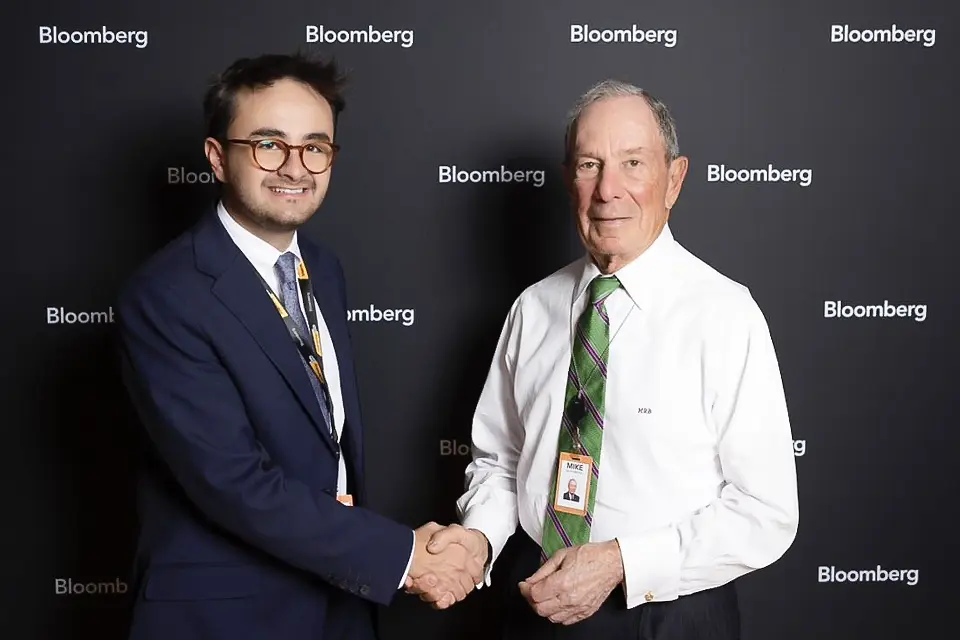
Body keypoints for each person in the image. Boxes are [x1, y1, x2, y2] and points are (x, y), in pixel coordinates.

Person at [411, 79, 800, 639]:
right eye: (590, 165)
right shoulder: (535, 307)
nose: (608, 190)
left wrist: (621, 561)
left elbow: (766, 512)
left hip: (669, 614)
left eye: (633, 163)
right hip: (534, 599)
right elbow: (501, 460)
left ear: (675, 179)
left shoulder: (724, 313)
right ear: (570, 179)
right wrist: (480, 538)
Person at [116, 52, 480, 640]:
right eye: (268, 143)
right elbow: (233, 482)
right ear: (216, 157)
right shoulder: (166, 295)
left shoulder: (323, 270)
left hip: (338, 601)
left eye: (315, 146)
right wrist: (405, 556)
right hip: (226, 617)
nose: (295, 166)